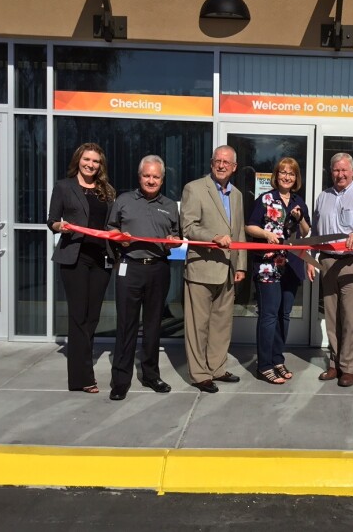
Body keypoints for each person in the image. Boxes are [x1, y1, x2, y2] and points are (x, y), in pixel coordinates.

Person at [107, 155, 180, 401]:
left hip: (158, 269)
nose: (151, 180)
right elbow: (110, 229)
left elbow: (175, 235)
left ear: (162, 179)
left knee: (152, 327)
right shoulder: (124, 200)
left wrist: (173, 241)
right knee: (126, 326)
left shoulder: (170, 205)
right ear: (140, 177)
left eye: (156, 177)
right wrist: (119, 237)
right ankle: (120, 380)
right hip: (130, 267)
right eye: (147, 176)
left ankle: (150, 375)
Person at [48, 143, 115, 394]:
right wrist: (59, 227)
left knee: (92, 317)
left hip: (100, 259)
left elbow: (110, 223)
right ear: (78, 160)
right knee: (79, 317)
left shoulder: (106, 190)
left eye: (96, 161)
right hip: (74, 257)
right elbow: (52, 219)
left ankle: (83, 368)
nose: (91, 164)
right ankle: (82, 377)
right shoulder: (64, 187)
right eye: (87, 159)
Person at [307, 152, 353, 387]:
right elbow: (317, 231)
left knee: (351, 317)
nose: (340, 174)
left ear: (352, 171)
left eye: (344, 170)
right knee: (331, 316)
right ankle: (334, 363)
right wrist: (311, 257)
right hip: (328, 261)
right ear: (332, 172)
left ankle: (348, 367)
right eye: (336, 170)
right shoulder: (323, 197)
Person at [180, 145, 247, 394]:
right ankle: (199, 374)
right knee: (198, 325)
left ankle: (217, 367)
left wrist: (241, 266)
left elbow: (239, 232)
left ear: (234, 167)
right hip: (202, 267)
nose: (221, 165)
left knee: (221, 324)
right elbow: (188, 227)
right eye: (217, 161)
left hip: (228, 269)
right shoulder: (194, 188)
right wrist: (214, 236)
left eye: (226, 162)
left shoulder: (237, 195)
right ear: (211, 163)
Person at [245, 158, 311, 384]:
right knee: (269, 315)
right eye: (283, 173)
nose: (286, 177)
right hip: (268, 265)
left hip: (291, 265)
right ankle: (264, 365)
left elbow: (306, 231)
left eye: (291, 174)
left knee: (284, 315)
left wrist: (299, 217)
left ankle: (277, 358)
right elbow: (249, 226)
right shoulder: (265, 199)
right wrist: (266, 235)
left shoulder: (298, 201)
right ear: (276, 175)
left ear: (296, 178)